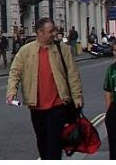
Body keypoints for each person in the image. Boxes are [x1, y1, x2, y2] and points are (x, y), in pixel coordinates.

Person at [6, 17, 84, 160]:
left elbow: (73, 74)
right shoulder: (26, 51)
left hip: (58, 106)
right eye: (50, 31)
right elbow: (15, 72)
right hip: (36, 107)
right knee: (42, 143)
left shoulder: (62, 49)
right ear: (39, 33)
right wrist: (12, 92)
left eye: (54, 30)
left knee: (54, 146)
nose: (54, 33)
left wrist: (77, 96)